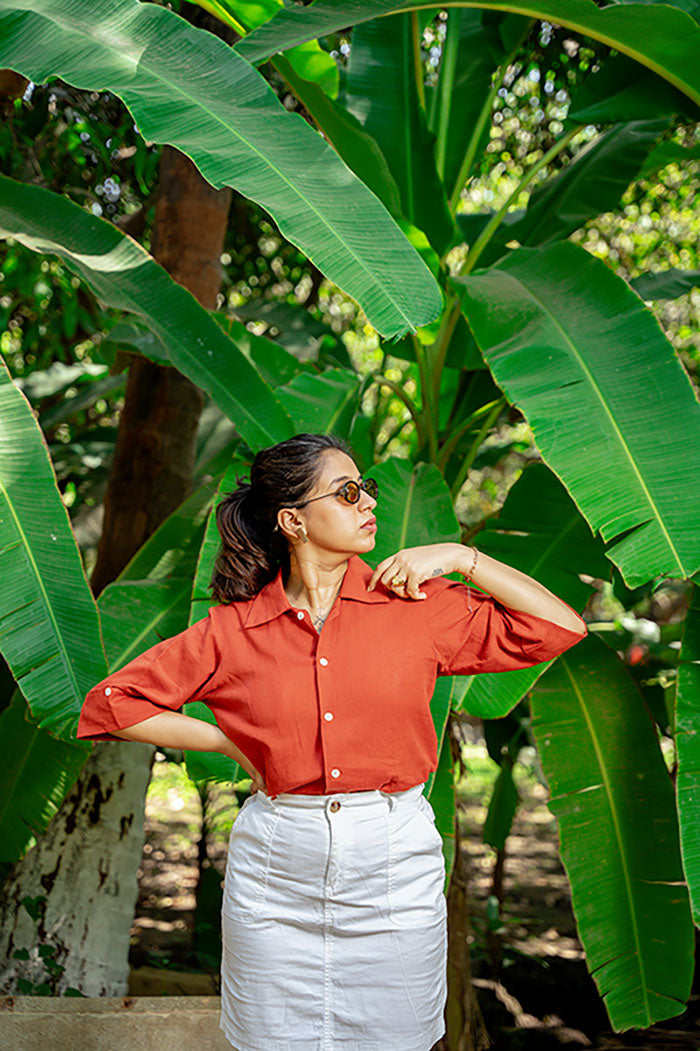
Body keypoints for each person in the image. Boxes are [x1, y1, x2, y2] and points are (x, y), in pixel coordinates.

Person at [76, 431, 587, 1051]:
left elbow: (559, 626)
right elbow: (111, 703)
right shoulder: (232, 630)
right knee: (271, 1038)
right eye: (348, 493)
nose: (368, 503)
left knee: (396, 1037)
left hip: (394, 860)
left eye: (365, 489)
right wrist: (225, 741)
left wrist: (462, 557)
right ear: (293, 520)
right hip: (276, 870)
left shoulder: (417, 605)